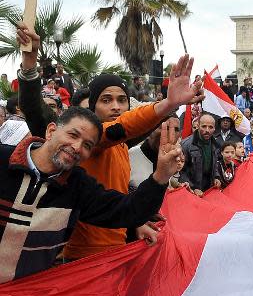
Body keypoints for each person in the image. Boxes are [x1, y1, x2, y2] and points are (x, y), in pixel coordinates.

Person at [16, 24, 203, 260]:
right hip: (83, 259)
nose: (116, 106)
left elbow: (118, 204)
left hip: (117, 254)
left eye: (122, 100)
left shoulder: (123, 147)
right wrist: (167, 104)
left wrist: (135, 224)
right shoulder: (92, 142)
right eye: (106, 100)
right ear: (92, 108)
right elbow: (124, 126)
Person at [0, 108, 181, 281]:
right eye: (73, 135)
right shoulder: (2, 160)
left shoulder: (78, 185)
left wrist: (161, 175)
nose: (77, 147)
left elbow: (128, 211)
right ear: (51, 131)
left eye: (87, 145)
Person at [129, 116, 181, 190]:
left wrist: (178, 187)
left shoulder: (173, 159)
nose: (171, 134)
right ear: (150, 130)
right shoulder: (128, 156)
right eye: (164, 127)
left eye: (176, 130)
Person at [180, 113, 220, 196]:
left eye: (211, 127)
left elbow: (215, 164)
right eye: (204, 126)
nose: (207, 130)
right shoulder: (186, 145)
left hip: (208, 188)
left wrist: (216, 177)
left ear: (214, 128)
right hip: (191, 191)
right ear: (198, 126)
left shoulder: (215, 144)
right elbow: (180, 171)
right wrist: (192, 188)